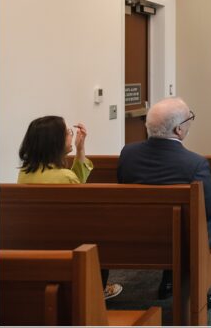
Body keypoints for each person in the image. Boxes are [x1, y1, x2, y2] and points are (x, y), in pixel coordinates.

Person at [118, 97, 211, 305]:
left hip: (137, 233)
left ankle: (170, 278)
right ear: (178, 130)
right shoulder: (194, 163)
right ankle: (196, 288)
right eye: (189, 118)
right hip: (183, 237)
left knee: (171, 223)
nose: (190, 122)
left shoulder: (128, 154)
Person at [17, 115, 123, 301]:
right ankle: (97, 290)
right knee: (101, 232)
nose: (70, 135)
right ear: (54, 142)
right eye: (67, 132)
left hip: (37, 237)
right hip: (68, 239)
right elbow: (77, 193)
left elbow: (74, 183)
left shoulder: (25, 173)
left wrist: (80, 149)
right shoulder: (65, 177)